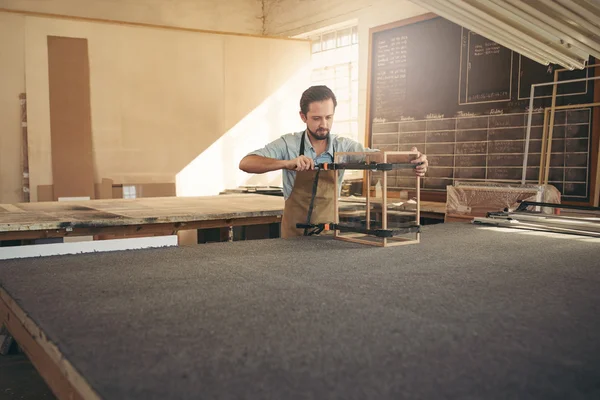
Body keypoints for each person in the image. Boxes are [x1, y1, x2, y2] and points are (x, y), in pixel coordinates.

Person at [239, 85, 428, 238]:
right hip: (292, 238)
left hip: (329, 237)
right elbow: (246, 163)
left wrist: (412, 158)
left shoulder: (343, 146)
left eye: (329, 117)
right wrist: (287, 163)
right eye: (316, 118)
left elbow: (376, 156)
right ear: (303, 117)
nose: (324, 124)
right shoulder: (288, 143)